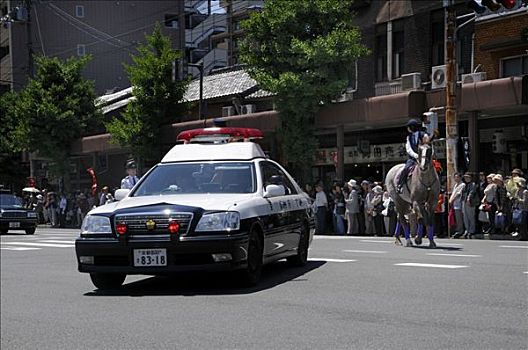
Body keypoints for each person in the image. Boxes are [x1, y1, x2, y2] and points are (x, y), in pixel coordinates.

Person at [397, 119, 430, 193]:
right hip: (413, 159)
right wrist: (416, 156)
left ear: (411, 127)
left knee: (436, 167)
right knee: (406, 168)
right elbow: (409, 150)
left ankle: (439, 186)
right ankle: (400, 185)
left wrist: (427, 136)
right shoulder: (409, 137)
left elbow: (427, 142)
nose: (407, 129)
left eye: (408, 127)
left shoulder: (423, 134)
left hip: (425, 157)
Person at [461, 173, 478, 239]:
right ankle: (467, 229)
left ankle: (471, 230)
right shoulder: (465, 185)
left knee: (471, 216)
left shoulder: (472, 184)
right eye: (465, 177)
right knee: (465, 217)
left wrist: (468, 198)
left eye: (467, 177)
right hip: (464, 201)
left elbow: (472, 192)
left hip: (470, 202)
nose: (466, 179)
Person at [449, 173, 465, 238]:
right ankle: (457, 229)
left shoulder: (462, 184)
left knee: (459, 218)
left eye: (457, 177)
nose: (456, 178)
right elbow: (453, 193)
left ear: (460, 178)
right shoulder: (455, 185)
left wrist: (452, 200)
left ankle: (460, 231)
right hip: (454, 204)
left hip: (459, 204)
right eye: (455, 177)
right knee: (455, 218)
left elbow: (458, 194)